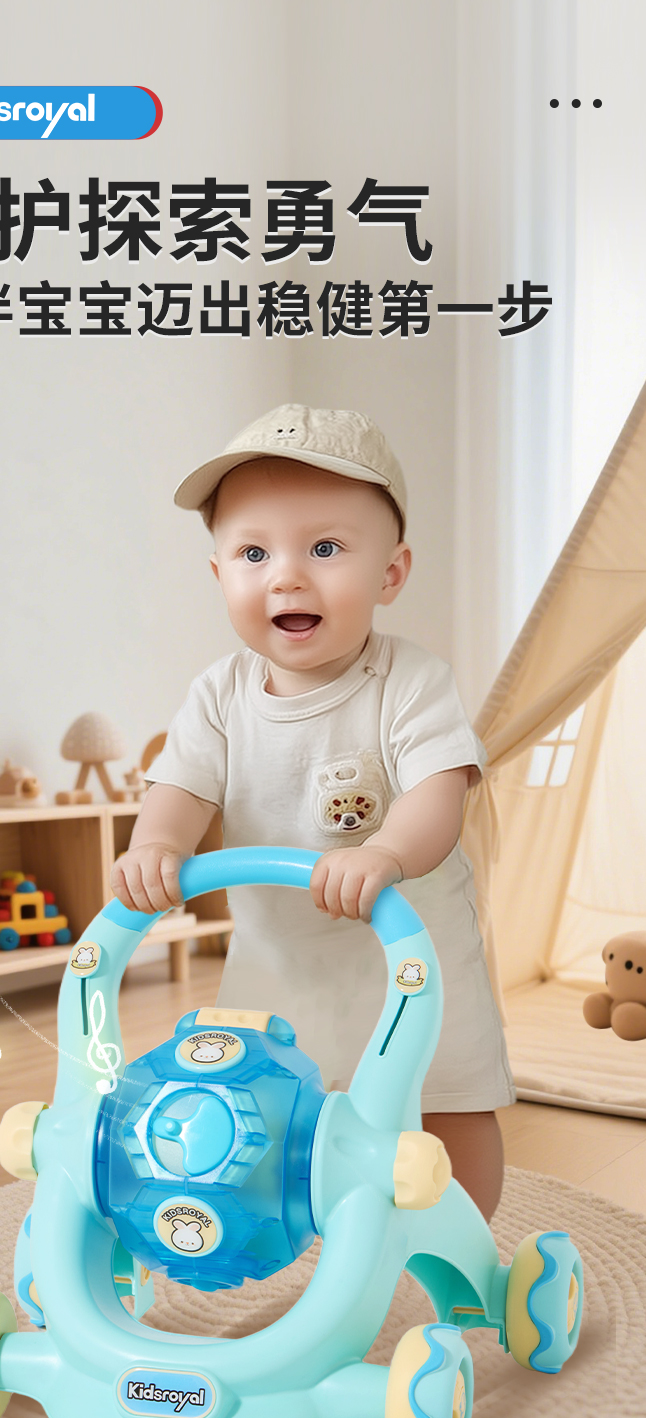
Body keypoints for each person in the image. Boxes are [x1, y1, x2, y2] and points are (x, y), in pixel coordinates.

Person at [111, 404, 514, 1219]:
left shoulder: (410, 681)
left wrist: (386, 853)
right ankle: (298, 1230)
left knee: (446, 1099)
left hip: (408, 953)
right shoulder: (218, 695)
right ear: (220, 574)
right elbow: (182, 788)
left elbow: (439, 793)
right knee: (264, 1108)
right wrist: (157, 842)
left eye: (325, 549)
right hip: (276, 958)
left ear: (391, 574)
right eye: (253, 553)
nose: (286, 577)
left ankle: (465, 1248)